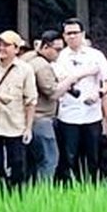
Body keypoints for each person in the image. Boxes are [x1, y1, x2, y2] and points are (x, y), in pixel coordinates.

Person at [55, 18, 107, 180]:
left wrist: (100, 93)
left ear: (82, 34)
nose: (72, 36)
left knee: (93, 158)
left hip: (91, 115)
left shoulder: (95, 55)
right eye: (69, 33)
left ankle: (93, 189)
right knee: (69, 157)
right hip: (68, 115)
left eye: (75, 33)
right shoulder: (60, 57)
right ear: (64, 36)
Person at [0, 31, 37, 187]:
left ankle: (17, 199)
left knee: (17, 165)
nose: (1, 48)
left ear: (17, 49)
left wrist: (28, 128)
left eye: (6, 45)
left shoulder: (26, 69)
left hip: (16, 124)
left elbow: (31, 100)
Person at [24, 30, 66, 182]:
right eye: (57, 50)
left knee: (32, 161)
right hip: (41, 118)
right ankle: (43, 192)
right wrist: (70, 81)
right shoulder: (42, 66)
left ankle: (28, 192)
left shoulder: (28, 58)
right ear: (46, 47)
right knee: (49, 159)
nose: (59, 54)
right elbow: (52, 92)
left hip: (28, 119)